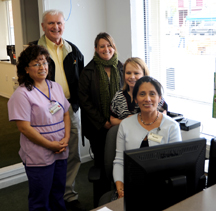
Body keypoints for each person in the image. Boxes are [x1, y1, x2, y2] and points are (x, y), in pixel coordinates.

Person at [31, 10, 85, 211]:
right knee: (47, 153)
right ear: (43, 27)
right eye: (51, 23)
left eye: (59, 23)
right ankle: (52, 197)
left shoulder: (73, 49)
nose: (56, 27)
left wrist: (77, 104)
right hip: (44, 109)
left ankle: (68, 194)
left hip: (69, 107)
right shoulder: (34, 50)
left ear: (64, 25)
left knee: (72, 153)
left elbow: (81, 78)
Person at [7, 45, 70, 211]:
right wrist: (51, 145)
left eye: (44, 62)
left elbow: (66, 114)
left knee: (58, 194)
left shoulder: (55, 86)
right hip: (39, 155)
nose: (42, 67)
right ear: (26, 69)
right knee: (40, 200)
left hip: (60, 150)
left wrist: (66, 139)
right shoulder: (22, 94)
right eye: (36, 64)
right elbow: (25, 129)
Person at [113, 76, 182, 198]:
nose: (147, 99)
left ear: (159, 98)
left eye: (152, 94)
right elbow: (119, 161)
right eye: (142, 94)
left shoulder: (171, 126)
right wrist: (120, 188)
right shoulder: (125, 124)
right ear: (135, 99)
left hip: (162, 188)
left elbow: (176, 166)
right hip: (131, 185)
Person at [78, 32, 124, 200]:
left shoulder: (122, 67)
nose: (106, 49)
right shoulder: (88, 71)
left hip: (120, 126)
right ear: (96, 49)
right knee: (103, 164)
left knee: (119, 161)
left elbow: (127, 94)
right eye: (102, 46)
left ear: (114, 47)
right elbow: (85, 101)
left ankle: (119, 194)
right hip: (98, 128)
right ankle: (103, 199)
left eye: (109, 45)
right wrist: (103, 122)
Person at [110, 57, 168, 126]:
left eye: (136, 73)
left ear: (144, 74)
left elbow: (162, 117)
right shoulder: (118, 96)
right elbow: (112, 120)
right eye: (128, 73)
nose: (132, 77)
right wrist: (126, 121)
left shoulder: (154, 95)